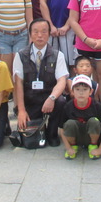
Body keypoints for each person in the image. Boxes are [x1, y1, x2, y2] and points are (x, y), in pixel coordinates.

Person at [13, 18, 68, 147]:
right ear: (30, 34)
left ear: (49, 34)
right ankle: (37, 126)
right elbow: (18, 83)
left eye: (44, 32)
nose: (39, 35)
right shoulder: (20, 55)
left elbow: (62, 81)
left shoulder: (57, 55)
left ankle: (52, 133)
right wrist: (20, 109)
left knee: (60, 101)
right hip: (30, 99)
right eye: (35, 31)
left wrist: (52, 98)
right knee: (29, 140)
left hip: (48, 97)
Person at [59, 74, 101, 160]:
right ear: (72, 91)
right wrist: (68, 147)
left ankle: (93, 145)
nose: (81, 93)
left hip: (92, 136)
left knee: (94, 121)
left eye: (85, 89)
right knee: (69, 123)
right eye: (77, 89)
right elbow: (61, 128)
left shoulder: (96, 105)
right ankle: (73, 146)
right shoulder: (68, 106)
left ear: (91, 91)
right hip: (76, 137)